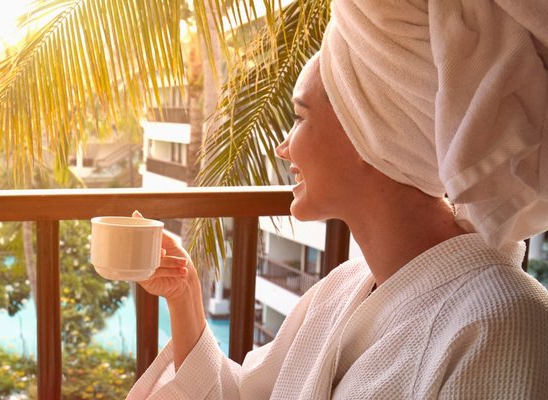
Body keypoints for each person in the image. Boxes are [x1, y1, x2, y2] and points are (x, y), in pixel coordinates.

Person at [126, 1, 548, 399]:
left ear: (371, 136)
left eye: (301, 118)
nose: (283, 147)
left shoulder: (503, 324)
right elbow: (244, 393)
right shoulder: (344, 286)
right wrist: (184, 294)